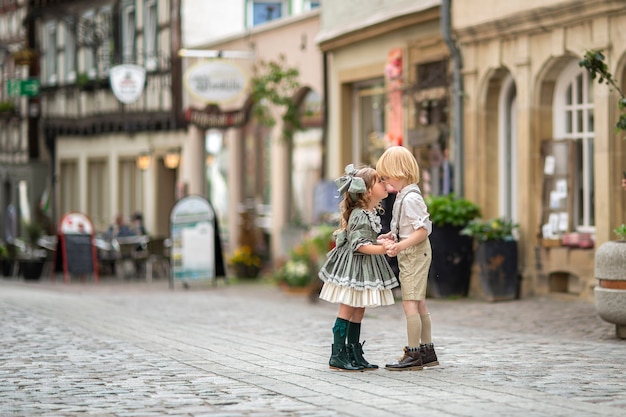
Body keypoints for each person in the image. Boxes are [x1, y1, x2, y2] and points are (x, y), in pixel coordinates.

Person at [318, 164, 399, 371]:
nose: (384, 183)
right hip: (354, 266)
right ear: (369, 190)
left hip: (363, 265)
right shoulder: (359, 214)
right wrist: (382, 249)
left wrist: (380, 239)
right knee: (348, 306)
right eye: (380, 181)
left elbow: (366, 238)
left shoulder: (369, 212)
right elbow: (359, 245)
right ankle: (337, 355)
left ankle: (353, 352)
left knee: (359, 308)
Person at [376, 145, 439, 371]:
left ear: (399, 171)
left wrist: (400, 244)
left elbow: (423, 230)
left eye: (387, 175)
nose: (385, 180)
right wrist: (393, 235)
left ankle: (413, 354)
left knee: (410, 302)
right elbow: (410, 226)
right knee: (418, 301)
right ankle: (427, 351)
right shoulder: (406, 195)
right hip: (412, 252)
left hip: (413, 254)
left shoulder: (410, 198)